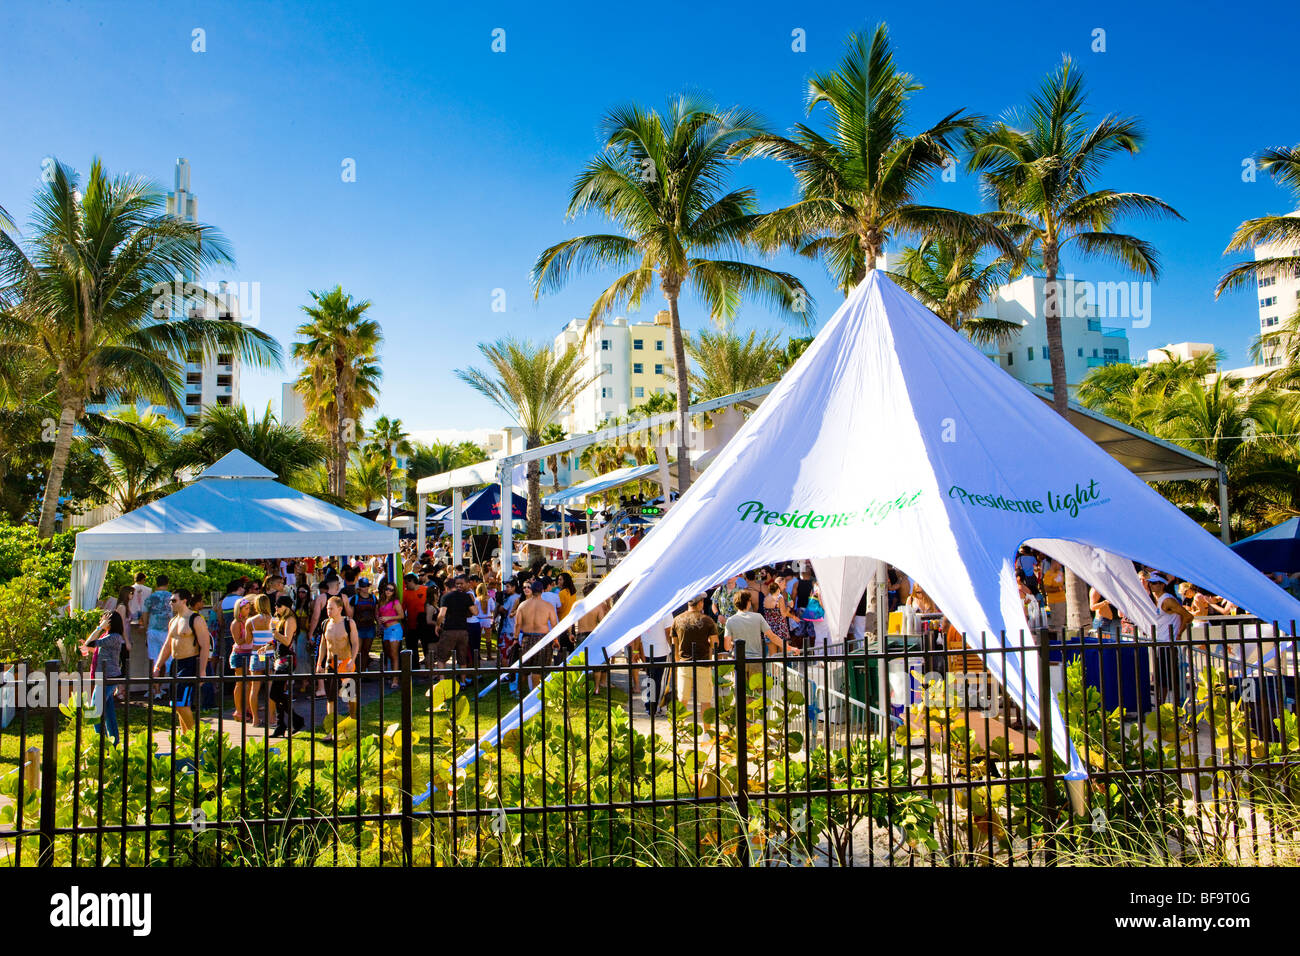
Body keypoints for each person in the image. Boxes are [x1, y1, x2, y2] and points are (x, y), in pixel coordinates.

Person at [153, 589, 210, 733]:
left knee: (182, 704)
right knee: (176, 704)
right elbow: (167, 645)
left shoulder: (195, 619)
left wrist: (202, 670)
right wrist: (158, 665)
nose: (170, 603)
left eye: (173, 600)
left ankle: (194, 738)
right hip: (175, 663)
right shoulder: (173, 620)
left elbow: (205, 646)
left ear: (184, 601)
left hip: (190, 663)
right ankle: (185, 739)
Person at [315, 595, 359, 743]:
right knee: (330, 698)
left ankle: (353, 723)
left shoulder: (348, 623)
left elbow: (355, 643)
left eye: (331, 608)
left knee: (350, 696)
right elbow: (322, 644)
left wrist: (352, 660)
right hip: (330, 664)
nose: (329, 611)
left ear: (340, 609)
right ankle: (331, 730)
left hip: (345, 662)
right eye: (327, 608)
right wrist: (319, 663)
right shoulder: (326, 623)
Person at [672, 594, 719, 721]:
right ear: (700, 603)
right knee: (705, 700)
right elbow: (715, 643)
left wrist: (677, 661)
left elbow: (674, 644)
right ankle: (707, 732)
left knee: (682, 699)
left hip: (684, 663)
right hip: (703, 662)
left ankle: (679, 728)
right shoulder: (707, 620)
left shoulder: (677, 620)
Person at [1149, 574, 1193, 705]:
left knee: (1170, 678)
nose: (1152, 585)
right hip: (1162, 643)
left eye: (1155, 583)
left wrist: (1179, 634)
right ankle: (1162, 706)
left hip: (1168, 644)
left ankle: (1173, 706)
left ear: (1162, 585)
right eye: (1151, 582)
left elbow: (1188, 616)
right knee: (1162, 678)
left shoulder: (1167, 600)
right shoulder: (1160, 599)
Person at [513, 580, 558, 691]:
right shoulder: (548, 606)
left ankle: (519, 691)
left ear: (532, 590)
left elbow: (517, 624)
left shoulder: (523, 605)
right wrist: (556, 640)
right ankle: (534, 692)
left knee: (524, 668)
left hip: (526, 638)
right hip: (542, 638)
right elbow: (554, 625)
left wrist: (515, 638)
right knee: (538, 669)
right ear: (542, 591)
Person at [245, 594, 276, 728]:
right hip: (270, 653)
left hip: (257, 654)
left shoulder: (250, 621)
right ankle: (271, 719)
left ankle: (256, 720)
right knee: (271, 688)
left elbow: (247, 641)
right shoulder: (274, 620)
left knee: (255, 688)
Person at [140, 574, 172, 699]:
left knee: (153, 660)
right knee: (167, 660)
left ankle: (156, 689)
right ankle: (167, 686)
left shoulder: (150, 597)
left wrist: (146, 626)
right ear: (167, 583)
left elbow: (145, 613)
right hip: (167, 631)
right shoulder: (172, 597)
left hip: (152, 630)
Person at [636, 611, 674, 717]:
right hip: (661, 649)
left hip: (647, 648)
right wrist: (672, 648)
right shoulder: (666, 611)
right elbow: (668, 632)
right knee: (659, 681)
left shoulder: (646, 610)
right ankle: (654, 706)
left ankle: (650, 706)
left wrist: (637, 649)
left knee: (651, 679)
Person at [572, 581, 607, 692]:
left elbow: (570, 620)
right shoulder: (597, 606)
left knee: (581, 663)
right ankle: (596, 688)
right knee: (596, 662)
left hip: (581, 634)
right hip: (593, 634)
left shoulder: (577, 604)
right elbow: (602, 622)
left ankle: (581, 686)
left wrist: (570, 633)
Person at [435, 576, 475, 670]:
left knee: (441, 658)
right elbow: (475, 612)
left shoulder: (446, 597)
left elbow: (442, 614)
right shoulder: (466, 596)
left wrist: (437, 625)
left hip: (449, 630)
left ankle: (442, 681)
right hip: (463, 630)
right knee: (462, 658)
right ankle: (463, 681)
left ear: (446, 587)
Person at [227, 596, 254, 720]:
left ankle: (248, 708)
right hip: (240, 653)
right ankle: (239, 710)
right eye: (245, 608)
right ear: (239, 610)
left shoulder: (248, 620)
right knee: (240, 682)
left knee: (249, 682)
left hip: (250, 652)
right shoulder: (236, 623)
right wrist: (249, 635)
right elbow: (238, 640)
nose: (248, 611)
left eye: (249, 608)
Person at [377, 582, 405, 689]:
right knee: (388, 653)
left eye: (391, 590)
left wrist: (388, 618)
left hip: (395, 628)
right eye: (387, 589)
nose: (388, 591)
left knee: (394, 654)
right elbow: (379, 614)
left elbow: (401, 615)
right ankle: (393, 674)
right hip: (386, 629)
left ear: (394, 592)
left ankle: (395, 679)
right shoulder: (382, 601)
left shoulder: (395, 602)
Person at [351, 577, 378, 673]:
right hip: (358, 628)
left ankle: (363, 670)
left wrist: (378, 625)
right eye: (363, 586)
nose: (366, 588)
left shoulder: (373, 598)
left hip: (370, 627)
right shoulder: (355, 598)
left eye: (367, 586)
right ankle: (356, 670)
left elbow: (376, 613)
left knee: (366, 650)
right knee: (357, 650)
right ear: (360, 588)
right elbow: (351, 615)